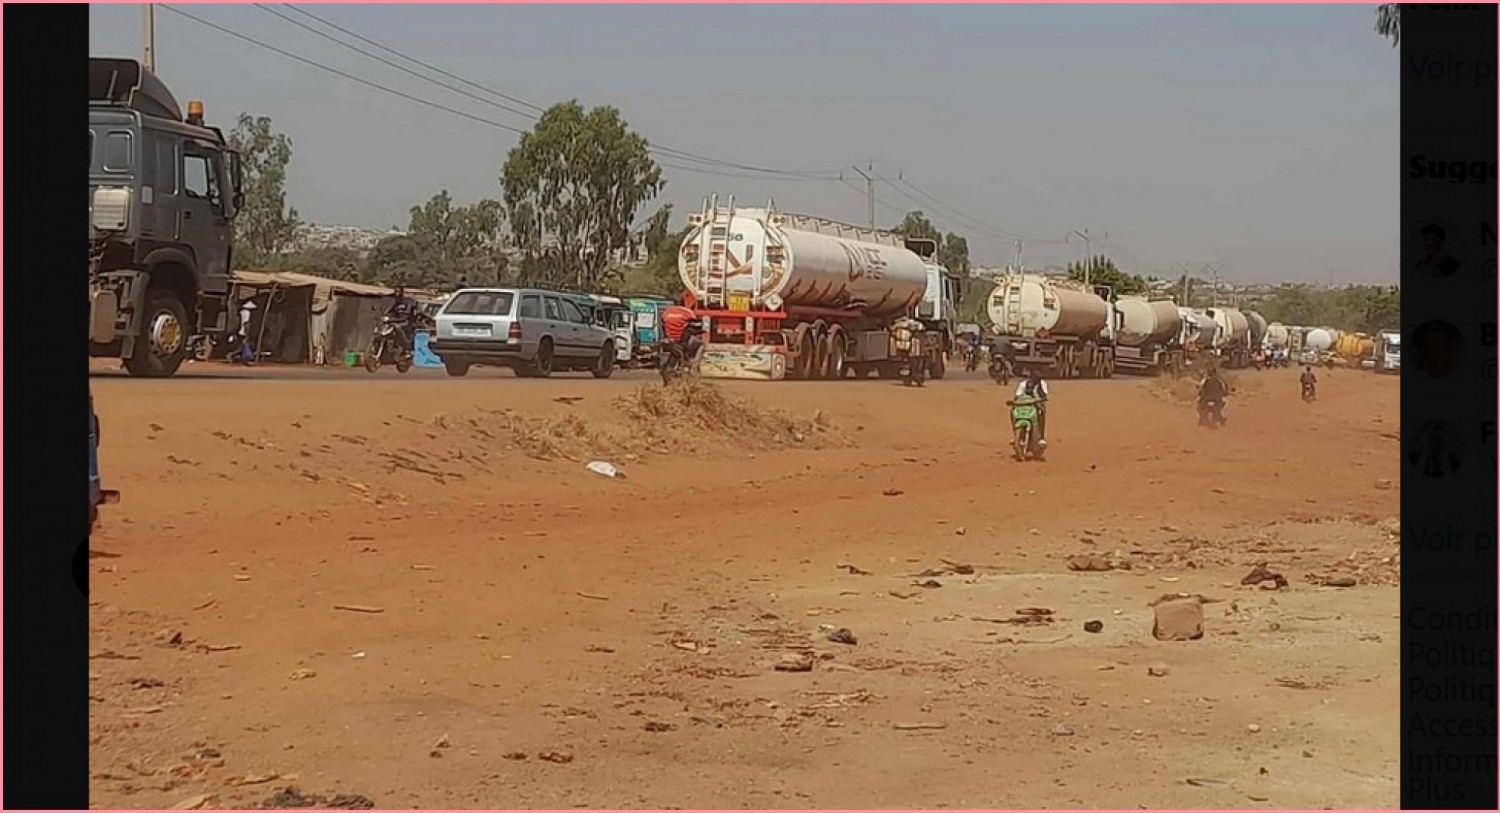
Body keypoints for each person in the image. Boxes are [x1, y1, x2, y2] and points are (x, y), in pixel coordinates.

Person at [660, 304, 704, 370]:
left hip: (669, 339)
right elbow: (695, 328)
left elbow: (663, 325)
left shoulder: (667, 312)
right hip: (682, 340)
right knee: (700, 345)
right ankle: (693, 366)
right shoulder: (688, 313)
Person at [1014, 367, 1050, 442]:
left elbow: (1044, 396)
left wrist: (1039, 387)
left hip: (1036, 404)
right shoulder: (1023, 384)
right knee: (1013, 412)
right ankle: (1015, 433)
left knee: (1041, 413)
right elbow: (1017, 396)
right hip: (1024, 404)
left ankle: (1041, 437)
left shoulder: (1043, 384)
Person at [385, 284, 421, 353]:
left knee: (397, 327)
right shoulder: (395, 302)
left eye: (398, 292)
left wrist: (392, 319)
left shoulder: (408, 302)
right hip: (396, 321)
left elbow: (406, 315)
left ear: (402, 292)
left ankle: (406, 344)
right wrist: (384, 316)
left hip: (406, 322)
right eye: (395, 292)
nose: (396, 294)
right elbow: (388, 311)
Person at [236, 299, 257, 364]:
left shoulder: (241, 312)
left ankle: (245, 357)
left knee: (243, 345)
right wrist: (246, 333)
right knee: (245, 344)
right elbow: (246, 323)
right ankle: (248, 357)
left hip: (240, 330)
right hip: (243, 331)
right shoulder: (247, 313)